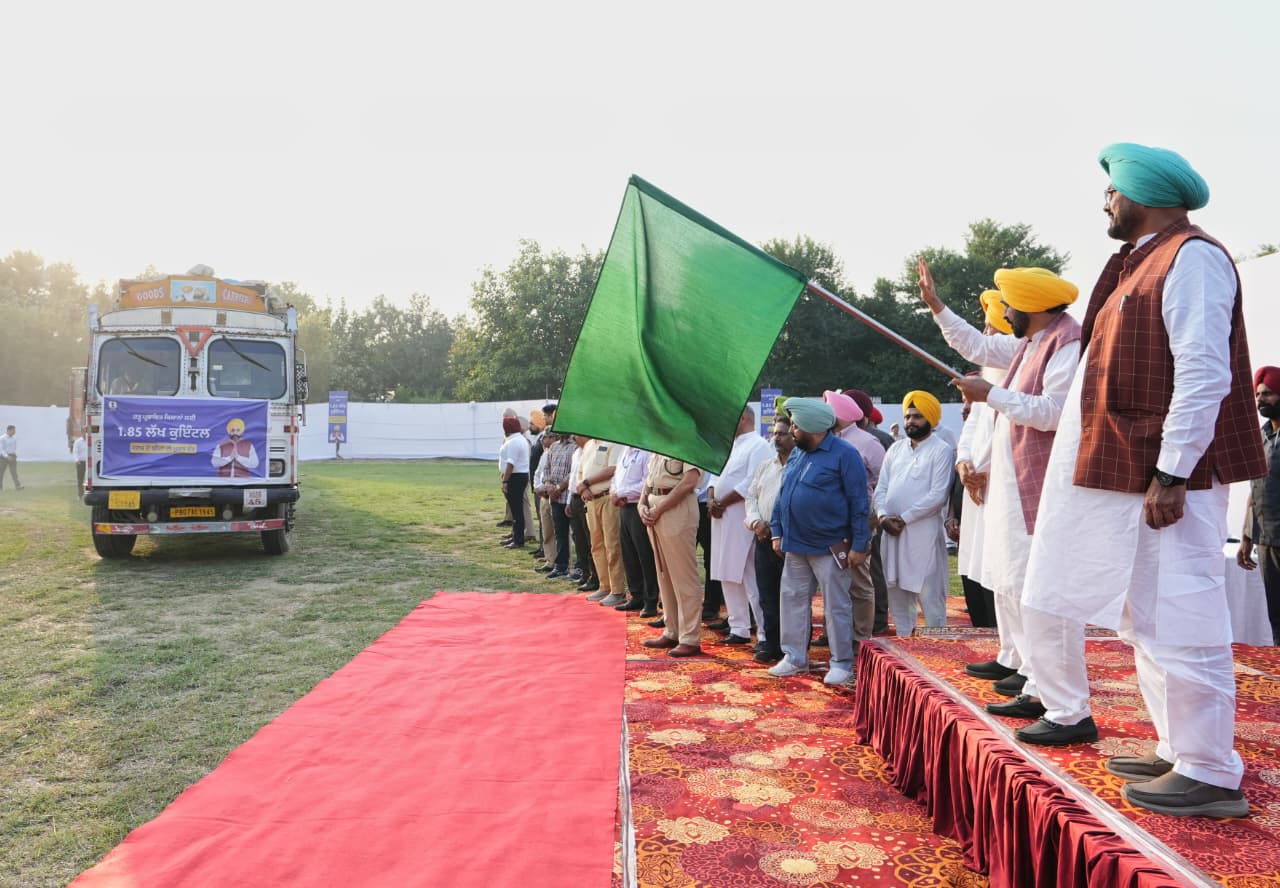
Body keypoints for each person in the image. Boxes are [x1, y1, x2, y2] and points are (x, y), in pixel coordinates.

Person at [1020, 143, 1263, 817]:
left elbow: (1204, 372)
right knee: (1147, 618)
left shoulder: (1194, 258)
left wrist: (1172, 471)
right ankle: (1179, 749)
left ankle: (1211, 770)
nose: (1105, 201)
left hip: (1167, 478)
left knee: (1184, 616)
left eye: (1111, 191)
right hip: (1138, 476)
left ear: (1145, 195)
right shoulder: (1143, 261)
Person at [919, 262, 1082, 725]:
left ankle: (1067, 707)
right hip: (1014, 491)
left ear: (1029, 306)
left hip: (1043, 490)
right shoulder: (1032, 343)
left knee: (1043, 597)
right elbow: (975, 343)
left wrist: (991, 395)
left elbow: (1053, 413)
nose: (1003, 311)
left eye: (1008, 304)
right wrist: (936, 306)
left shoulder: (1065, 344)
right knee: (1015, 586)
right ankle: (1038, 686)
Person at [768, 397, 871, 686]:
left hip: (830, 545)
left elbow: (859, 501)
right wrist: (777, 531)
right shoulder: (799, 452)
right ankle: (795, 658)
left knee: (836, 605)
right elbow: (783, 494)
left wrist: (860, 544)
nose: (791, 431)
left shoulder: (845, 454)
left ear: (811, 428)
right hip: (795, 544)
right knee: (791, 600)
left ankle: (841, 662)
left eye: (795, 426)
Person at [874, 392, 954, 635]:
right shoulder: (896, 449)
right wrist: (882, 517)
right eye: (908, 416)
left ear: (931, 418)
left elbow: (938, 495)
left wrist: (904, 518)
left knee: (929, 597)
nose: (911, 421)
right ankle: (905, 643)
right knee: (897, 595)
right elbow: (881, 488)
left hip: (922, 534)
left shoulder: (941, 450)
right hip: (892, 533)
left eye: (917, 417)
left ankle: (936, 651)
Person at [708, 407, 774, 646]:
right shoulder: (731, 445)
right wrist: (712, 498)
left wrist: (722, 502)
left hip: (742, 518)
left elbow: (752, 482)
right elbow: (715, 477)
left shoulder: (758, 445)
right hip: (722, 519)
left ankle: (765, 632)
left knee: (750, 576)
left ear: (744, 418)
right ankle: (739, 627)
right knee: (726, 573)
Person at [640, 452, 705, 657]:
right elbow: (649, 481)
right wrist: (642, 504)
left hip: (677, 510)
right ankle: (672, 630)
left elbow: (688, 483)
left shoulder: (689, 442)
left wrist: (659, 508)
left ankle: (690, 637)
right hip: (654, 510)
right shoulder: (659, 445)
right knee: (664, 574)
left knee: (683, 576)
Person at [745, 413, 796, 664]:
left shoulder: (801, 465)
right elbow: (751, 497)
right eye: (774, 433)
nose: (777, 437)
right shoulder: (766, 466)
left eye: (782, 433)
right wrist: (756, 522)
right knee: (767, 594)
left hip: (791, 540)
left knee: (793, 596)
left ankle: (795, 648)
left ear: (795, 435)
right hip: (763, 538)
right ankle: (771, 644)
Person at [1239, 365, 1280, 645]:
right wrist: (1246, 537)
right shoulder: (1262, 436)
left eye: (1267, 394)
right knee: (1276, 615)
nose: (1260, 400)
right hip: (1267, 540)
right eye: (1257, 395)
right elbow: (1255, 489)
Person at [611, 444, 660, 616]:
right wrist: (614, 492)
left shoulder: (646, 452)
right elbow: (616, 476)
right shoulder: (625, 450)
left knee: (644, 554)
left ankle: (651, 600)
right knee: (629, 553)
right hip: (624, 507)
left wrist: (622, 492)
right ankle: (636, 595)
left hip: (638, 506)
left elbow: (647, 482)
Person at [577, 437, 625, 604]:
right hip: (590, 500)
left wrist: (585, 483)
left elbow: (612, 469)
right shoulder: (589, 445)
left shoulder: (614, 442)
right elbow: (580, 472)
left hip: (607, 498)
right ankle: (604, 586)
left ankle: (618, 590)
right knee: (596, 545)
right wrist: (583, 489)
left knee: (612, 544)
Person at [497, 417, 530, 548]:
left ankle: (518, 540)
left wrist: (505, 481)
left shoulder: (514, 442)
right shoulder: (518, 439)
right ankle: (516, 536)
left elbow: (511, 463)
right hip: (518, 476)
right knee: (516, 509)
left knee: (516, 510)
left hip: (515, 477)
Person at [0, 425, 22, 490]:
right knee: (1, 472)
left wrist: (15, 454)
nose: (14, 432)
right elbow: (1, 449)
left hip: (12, 456)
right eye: (13, 430)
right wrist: (7, 456)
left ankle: (18, 486)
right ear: (9, 430)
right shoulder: (2, 438)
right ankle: (0, 487)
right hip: (3, 457)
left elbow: (16, 447)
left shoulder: (15, 438)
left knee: (14, 472)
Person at [73, 432, 89, 496]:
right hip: (81, 462)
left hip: (90, 463)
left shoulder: (91, 440)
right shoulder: (78, 442)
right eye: (84, 433)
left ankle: (88, 493)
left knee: (89, 480)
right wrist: (77, 460)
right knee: (80, 479)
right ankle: (80, 494)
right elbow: (75, 452)